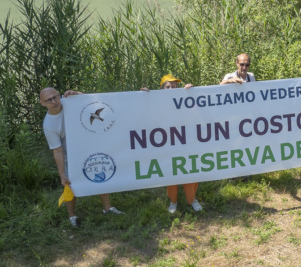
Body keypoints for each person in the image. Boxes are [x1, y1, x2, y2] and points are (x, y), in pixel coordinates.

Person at [39, 87, 124, 227]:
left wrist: (78, 95)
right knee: (69, 185)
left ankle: (107, 208)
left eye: (56, 96)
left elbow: (91, 104)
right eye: (49, 100)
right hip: (69, 157)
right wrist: (61, 174)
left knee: (101, 176)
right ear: (42, 103)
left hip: (88, 148)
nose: (54, 101)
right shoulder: (49, 125)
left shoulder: (69, 102)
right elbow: (58, 151)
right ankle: (72, 216)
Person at [143, 75, 203, 213]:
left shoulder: (183, 100)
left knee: (190, 171)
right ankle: (173, 201)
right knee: (171, 173)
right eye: (167, 87)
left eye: (174, 87)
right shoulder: (156, 102)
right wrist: (144, 96)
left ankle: (192, 199)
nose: (171, 89)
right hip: (166, 144)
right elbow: (146, 110)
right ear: (162, 89)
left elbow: (195, 111)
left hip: (185, 143)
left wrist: (190, 93)